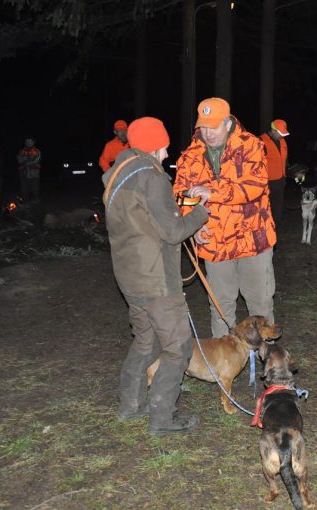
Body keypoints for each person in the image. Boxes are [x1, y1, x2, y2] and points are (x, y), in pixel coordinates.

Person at [103, 116, 210, 435]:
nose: (166, 154)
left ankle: (131, 405)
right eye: (163, 147)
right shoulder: (152, 177)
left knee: (145, 342)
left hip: (129, 277)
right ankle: (163, 419)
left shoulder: (119, 175)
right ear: (154, 144)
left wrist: (177, 205)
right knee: (178, 346)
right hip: (156, 280)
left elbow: (144, 218)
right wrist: (201, 212)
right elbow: (173, 230)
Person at [173, 97, 277, 338]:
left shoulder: (251, 145)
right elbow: (180, 195)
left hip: (253, 240)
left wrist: (213, 192)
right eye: (204, 127)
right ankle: (222, 366)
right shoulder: (190, 156)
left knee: (260, 303)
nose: (207, 133)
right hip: (215, 243)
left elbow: (255, 186)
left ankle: (269, 363)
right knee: (220, 307)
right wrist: (193, 225)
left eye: (214, 127)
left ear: (228, 124)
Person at [260, 119, 290, 226]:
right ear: (273, 130)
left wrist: (288, 172)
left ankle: (276, 227)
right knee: (266, 206)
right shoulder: (262, 141)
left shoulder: (282, 141)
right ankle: (266, 227)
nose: (283, 136)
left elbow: (285, 160)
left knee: (278, 206)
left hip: (281, 179)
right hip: (267, 182)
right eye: (281, 133)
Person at [16, 136, 42, 202]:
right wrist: (29, 159)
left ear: (33, 142)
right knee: (24, 192)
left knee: (35, 192)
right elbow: (19, 160)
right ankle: (25, 207)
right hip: (23, 175)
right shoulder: (21, 151)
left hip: (34, 175)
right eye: (27, 141)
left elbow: (36, 160)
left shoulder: (37, 151)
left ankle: (36, 206)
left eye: (30, 141)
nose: (28, 143)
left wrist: (26, 160)